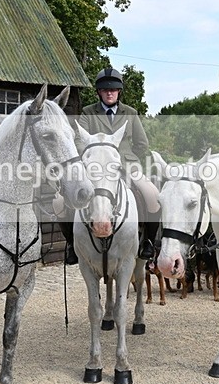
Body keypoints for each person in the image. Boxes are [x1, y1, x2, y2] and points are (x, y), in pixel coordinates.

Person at [60, 67, 161, 264]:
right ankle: (73, 244)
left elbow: (142, 144)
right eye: (105, 90)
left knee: (152, 194)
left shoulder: (130, 113)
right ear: (99, 92)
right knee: (59, 200)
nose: (109, 93)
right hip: (94, 167)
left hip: (126, 164)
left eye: (113, 89)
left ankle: (147, 241)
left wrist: (126, 161)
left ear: (119, 91)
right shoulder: (88, 112)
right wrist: (91, 159)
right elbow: (80, 141)